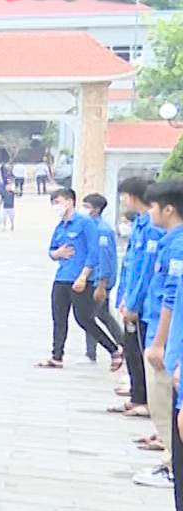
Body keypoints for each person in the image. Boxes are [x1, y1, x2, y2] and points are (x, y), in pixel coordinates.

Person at [39, 187, 118, 369]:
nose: (55, 206)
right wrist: (57, 253)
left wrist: (84, 276)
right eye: (53, 203)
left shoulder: (85, 223)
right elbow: (52, 250)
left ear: (69, 201)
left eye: (57, 202)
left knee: (84, 318)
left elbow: (93, 251)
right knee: (59, 318)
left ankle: (113, 349)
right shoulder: (61, 226)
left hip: (80, 278)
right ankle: (56, 356)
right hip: (62, 277)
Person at [137, 181, 183, 491]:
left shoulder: (178, 247)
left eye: (153, 206)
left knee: (164, 404)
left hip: (165, 339)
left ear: (168, 209)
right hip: (157, 329)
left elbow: (172, 297)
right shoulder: (170, 241)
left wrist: (159, 344)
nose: (149, 211)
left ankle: (172, 466)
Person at [116, 178, 155, 421]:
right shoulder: (140, 223)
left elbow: (146, 271)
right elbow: (131, 266)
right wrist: (124, 297)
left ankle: (142, 397)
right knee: (130, 349)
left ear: (132, 196)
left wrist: (134, 303)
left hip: (143, 304)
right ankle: (136, 393)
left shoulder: (152, 227)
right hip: (131, 297)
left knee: (138, 349)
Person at [81, 193, 123, 367]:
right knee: (95, 315)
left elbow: (104, 258)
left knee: (94, 316)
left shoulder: (102, 230)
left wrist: (102, 283)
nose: (83, 209)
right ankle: (93, 351)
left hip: (99, 280)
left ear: (96, 210)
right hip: (92, 279)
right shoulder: (90, 227)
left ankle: (120, 346)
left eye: (86, 206)